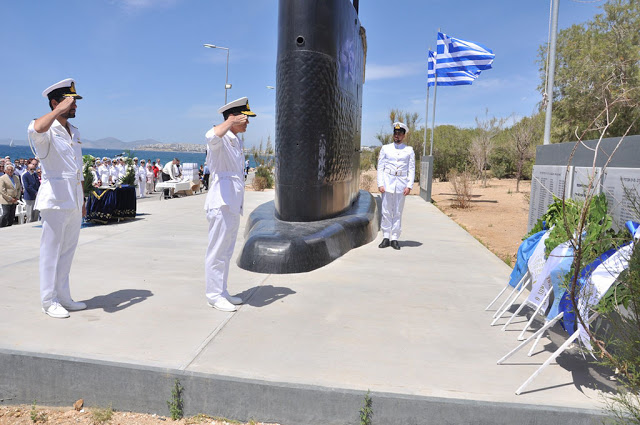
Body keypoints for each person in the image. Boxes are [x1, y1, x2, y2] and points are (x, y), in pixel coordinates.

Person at [28, 78, 87, 318]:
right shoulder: (46, 129)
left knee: (67, 250)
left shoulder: (74, 131)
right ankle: (48, 300)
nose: (74, 106)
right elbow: (36, 129)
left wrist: (82, 200)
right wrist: (57, 111)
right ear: (55, 103)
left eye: (74, 102)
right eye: (69, 102)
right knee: (51, 251)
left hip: (74, 197)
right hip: (55, 198)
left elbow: (78, 168)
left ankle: (63, 296)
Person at [204, 97, 256, 312]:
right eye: (245, 118)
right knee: (217, 250)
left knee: (226, 250)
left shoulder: (235, 139)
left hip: (232, 202)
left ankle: (222, 291)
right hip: (221, 201)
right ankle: (214, 295)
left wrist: (232, 125)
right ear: (233, 117)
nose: (248, 123)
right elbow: (210, 136)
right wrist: (230, 121)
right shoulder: (221, 138)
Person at [376, 122, 415, 250]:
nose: (396, 136)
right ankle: (386, 236)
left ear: (403, 135)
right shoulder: (385, 148)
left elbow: (411, 168)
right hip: (388, 182)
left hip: (401, 184)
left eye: (399, 134)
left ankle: (395, 238)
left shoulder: (409, 150)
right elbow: (380, 167)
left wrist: (409, 185)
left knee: (397, 212)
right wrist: (380, 183)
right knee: (386, 211)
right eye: (395, 133)